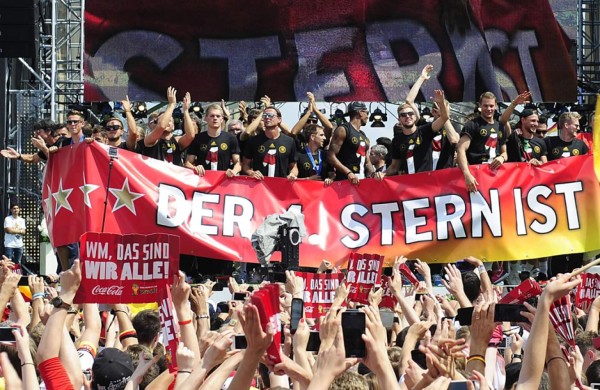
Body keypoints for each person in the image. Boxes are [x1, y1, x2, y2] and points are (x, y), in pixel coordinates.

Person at [385, 89, 449, 175]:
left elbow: (444, 118)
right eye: (403, 115)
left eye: (410, 114)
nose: (407, 116)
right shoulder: (397, 140)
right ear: (399, 119)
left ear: (415, 116)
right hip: (409, 184)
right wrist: (382, 174)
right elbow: (394, 167)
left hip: (427, 182)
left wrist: (441, 103)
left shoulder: (425, 130)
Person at [456, 91, 507, 192]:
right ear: (480, 106)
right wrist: (467, 174)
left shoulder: (500, 126)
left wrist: (501, 158)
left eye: (491, 106)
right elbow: (460, 149)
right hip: (476, 175)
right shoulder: (472, 125)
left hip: (496, 175)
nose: (489, 109)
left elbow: (505, 153)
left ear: (496, 106)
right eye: (485, 106)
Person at [138, 87, 195, 166]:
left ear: (173, 126)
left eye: (170, 121)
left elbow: (191, 135)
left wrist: (185, 111)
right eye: (165, 119)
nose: (167, 122)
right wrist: (171, 105)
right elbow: (161, 126)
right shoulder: (151, 139)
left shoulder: (177, 140)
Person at [185, 104, 242, 177]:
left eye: (218, 116)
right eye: (212, 116)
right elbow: (187, 163)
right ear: (206, 118)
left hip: (224, 181)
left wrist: (234, 171)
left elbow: (238, 162)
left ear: (222, 119)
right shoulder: (198, 138)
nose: (215, 118)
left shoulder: (231, 138)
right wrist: (195, 168)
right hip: (203, 181)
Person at [242, 105, 298, 180]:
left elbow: (294, 167)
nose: (267, 117)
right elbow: (245, 165)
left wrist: (292, 174)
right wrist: (251, 173)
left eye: (271, 115)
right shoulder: (254, 140)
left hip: (281, 186)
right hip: (259, 186)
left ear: (279, 119)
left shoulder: (289, 141)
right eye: (265, 115)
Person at [327, 101, 378, 184]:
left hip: (361, 181)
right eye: (367, 113)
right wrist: (348, 173)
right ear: (360, 113)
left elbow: (367, 162)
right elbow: (330, 156)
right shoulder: (343, 129)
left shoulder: (363, 135)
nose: (367, 116)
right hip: (345, 181)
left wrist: (373, 174)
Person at [500, 91, 547, 166]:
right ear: (523, 120)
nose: (535, 124)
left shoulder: (540, 142)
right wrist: (514, 103)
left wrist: (538, 163)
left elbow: (545, 164)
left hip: (533, 177)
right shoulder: (514, 136)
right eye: (533, 121)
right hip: (517, 176)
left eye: (537, 121)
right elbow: (503, 120)